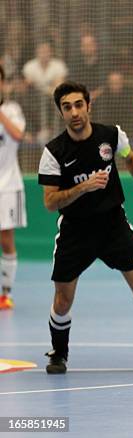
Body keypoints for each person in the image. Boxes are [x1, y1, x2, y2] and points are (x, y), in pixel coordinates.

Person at [37, 81, 133, 374]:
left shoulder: (111, 136)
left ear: (88, 105)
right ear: (61, 112)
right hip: (75, 231)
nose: (74, 112)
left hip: (113, 225)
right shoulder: (54, 152)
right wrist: (82, 188)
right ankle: (59, 353)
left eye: (78, 104)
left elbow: (130, 160)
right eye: (67, 107)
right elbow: (50, 202)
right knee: (62, 302)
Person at [0, 65, 27, 310]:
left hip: (8, 185)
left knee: (6, 240)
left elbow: (18, 135)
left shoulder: (12, 109)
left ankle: (5, 293)